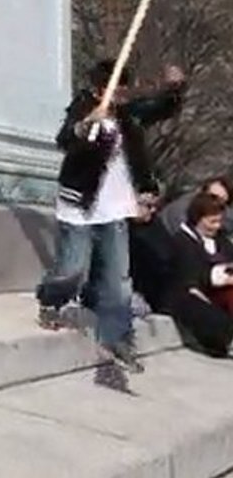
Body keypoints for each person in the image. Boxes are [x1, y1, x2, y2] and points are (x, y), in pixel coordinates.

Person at [37, 60, 185, 375]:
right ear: (100, 88)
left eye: (124, 88)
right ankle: (51, 299)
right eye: (116, 88)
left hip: (115, 208)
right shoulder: (85, 106)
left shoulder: (128, 115)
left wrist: (174, 90)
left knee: (118, 279)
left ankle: (117, 338)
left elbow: (158, 108)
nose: (122, 94)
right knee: (73, 268)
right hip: (81, 203)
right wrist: (86, 124)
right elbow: (66, 139)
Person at [168, 192, 233, 357]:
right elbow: (189, 280)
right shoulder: (183, 242)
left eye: (219, 221)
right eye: (212, 222)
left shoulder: (221, 239)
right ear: (198, 218)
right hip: (198, 294)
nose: (217, 226)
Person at [158, 176, 233, 237]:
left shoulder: (221, 213)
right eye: (212, 197)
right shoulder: (182, 209)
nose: (214, 202)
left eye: (221, 201)